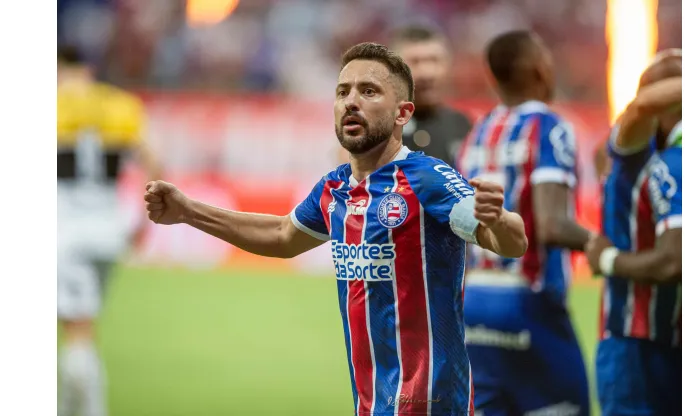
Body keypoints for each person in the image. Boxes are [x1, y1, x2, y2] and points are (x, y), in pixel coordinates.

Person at [144, 42, 528, 416]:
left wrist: (499, 218)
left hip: (432, 403)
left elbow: (508, 242)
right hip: (371, 401)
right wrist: (188, 212)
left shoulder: (429, 179)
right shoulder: (334, 188)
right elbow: (281, 236)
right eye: (343, 91)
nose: (351, 101)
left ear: (402, 113)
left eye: (369, 91)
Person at [456, 30, 592, 416]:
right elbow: (550, 225)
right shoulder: (551, 127)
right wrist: (606, 246)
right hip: (528, 298)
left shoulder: (478, 132)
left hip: (475, 301)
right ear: (538, 67)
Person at [57, 45, 161, 416]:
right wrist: (144, 219)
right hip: (109, 228)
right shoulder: (120, 106)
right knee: (86, 324)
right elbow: (154, 160)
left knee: (76, 332)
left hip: (65, 231)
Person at [584, 49, 681, 416]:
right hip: (632, 339)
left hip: (671, 338)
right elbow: (641, 108)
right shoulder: (632, 146)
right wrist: (608, 258)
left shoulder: (666, 156)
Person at [335, 25, 471, 167]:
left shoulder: (462, 125)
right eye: (415, 62)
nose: (427, 73)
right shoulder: (373, 124)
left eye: (434, 60)